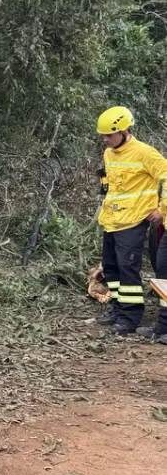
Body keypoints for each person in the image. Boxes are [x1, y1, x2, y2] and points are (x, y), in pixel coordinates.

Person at [94, 106, 167, 336]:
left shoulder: (145, 153)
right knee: (112, 267)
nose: (105, 139)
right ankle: (117, 308)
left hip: (134, 220)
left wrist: (161, 210)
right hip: (112, 219)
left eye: (109, 135)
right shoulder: (108, 153)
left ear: (124, 131)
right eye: (103, 135)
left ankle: (130, 316)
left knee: (128, 270)